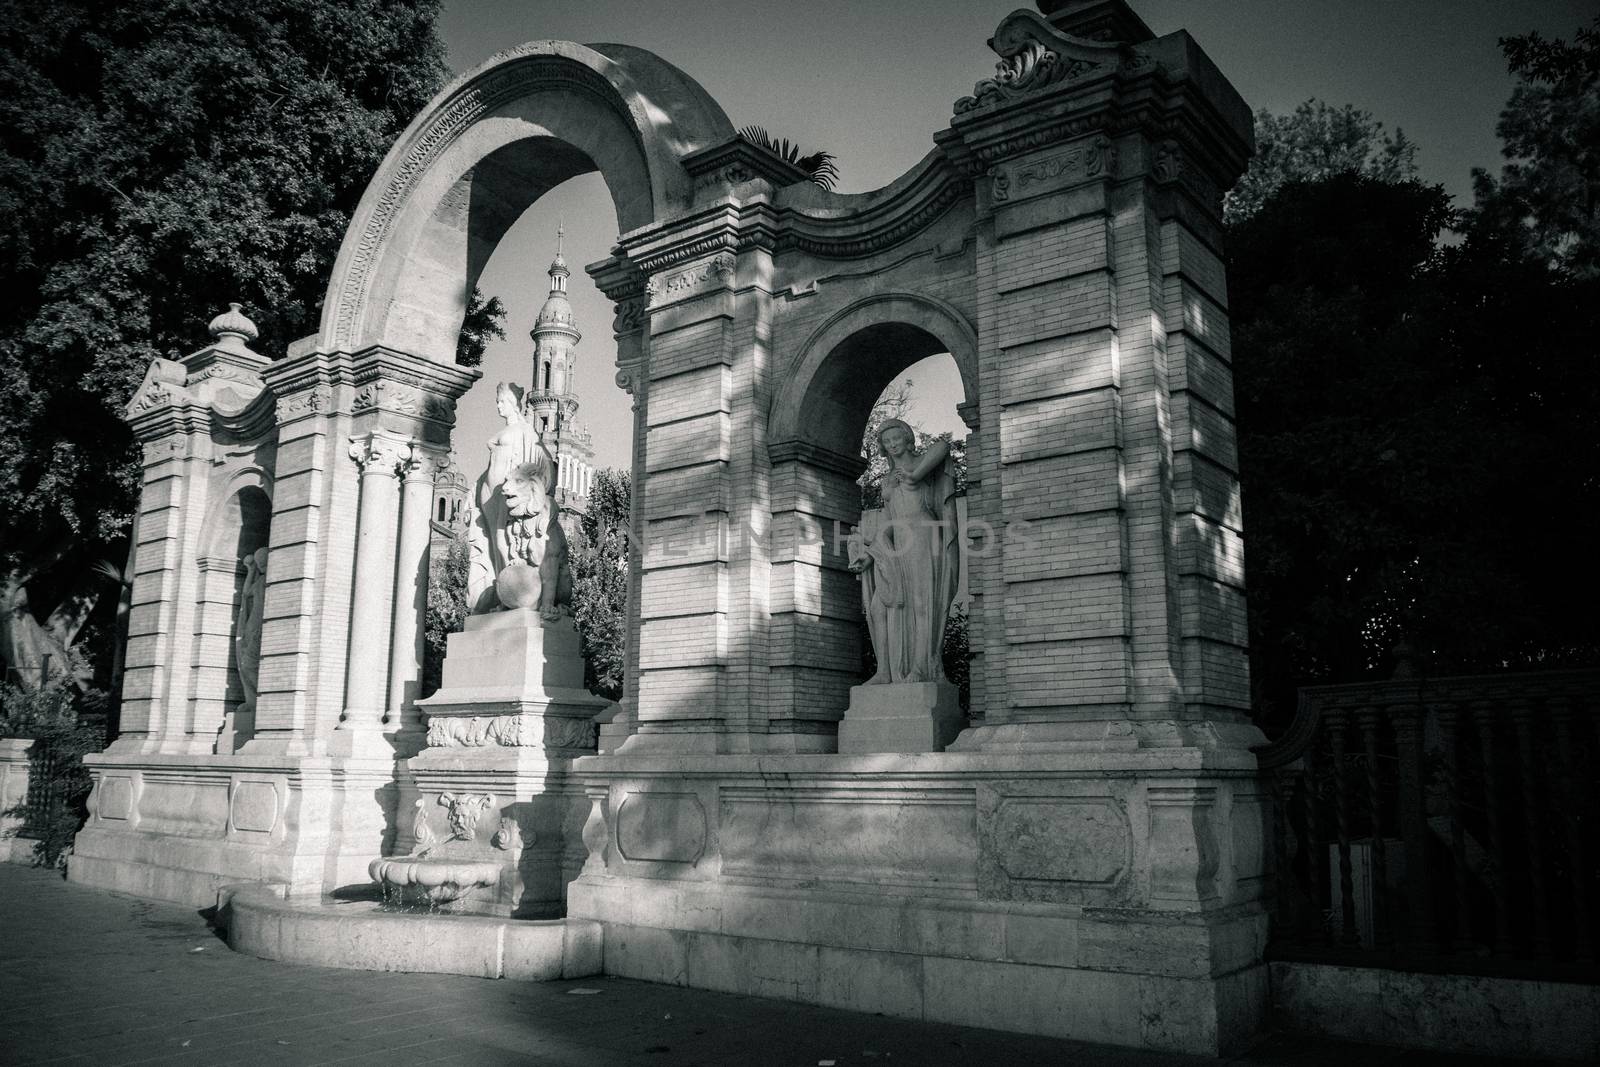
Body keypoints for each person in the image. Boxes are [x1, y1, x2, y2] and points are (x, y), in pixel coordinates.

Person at [848, 418, 959, 683]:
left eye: (896, 438)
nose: (892, 444)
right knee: (879, 607)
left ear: (908, 438)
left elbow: (942, 446)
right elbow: (889, 519)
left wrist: (913, 475)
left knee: (922, 602)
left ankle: (922, 666)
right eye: (887, 442)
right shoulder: (886, 479)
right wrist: (869, 553)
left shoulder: (921, 465)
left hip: (923, 534)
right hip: (896, 543)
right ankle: (884, 671)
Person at [468, 382, 550, 613]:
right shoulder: (511, 430)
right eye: (497, 401)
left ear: (513, 403)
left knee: (504, 538)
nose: (498, 406)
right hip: (489, 492)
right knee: (493, 541)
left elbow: (539, 461)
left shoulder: (525, 431)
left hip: (506, 492)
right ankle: (501, 590)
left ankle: (512, 592)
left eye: (502, 401)